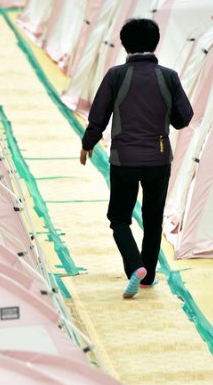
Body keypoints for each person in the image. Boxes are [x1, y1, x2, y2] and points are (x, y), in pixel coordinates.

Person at [79, 18, 193, 299]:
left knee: (119, 217)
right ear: (155, 43)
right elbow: (183, 118)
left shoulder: (116, 76)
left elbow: (99, 115)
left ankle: (134, 265)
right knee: (153, 218)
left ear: (124, 44)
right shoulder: (168, 77)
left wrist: (87, 143)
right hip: (159, 159)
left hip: (124, 159)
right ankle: (148, 276)